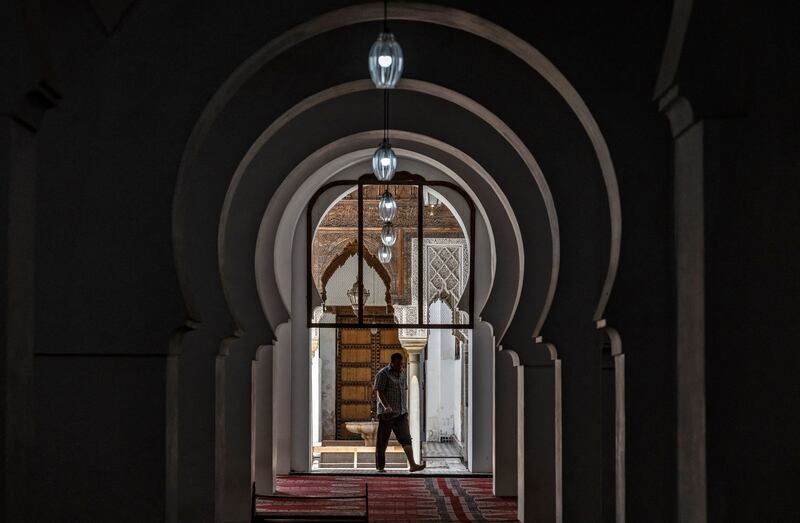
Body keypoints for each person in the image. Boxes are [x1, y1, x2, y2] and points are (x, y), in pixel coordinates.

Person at [373, 352, 426, 472]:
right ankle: (380, 467)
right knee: (382, 441)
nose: (399, 366)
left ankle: (412, 465)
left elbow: (403, 391)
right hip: (387, 414)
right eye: (396, 364)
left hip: (401, 413)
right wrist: (386, 406)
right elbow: (379, 392)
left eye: (400, 364)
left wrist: (405, 409)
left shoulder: (402, 373)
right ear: (391, 363)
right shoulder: (383, 374)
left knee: (406, 438)